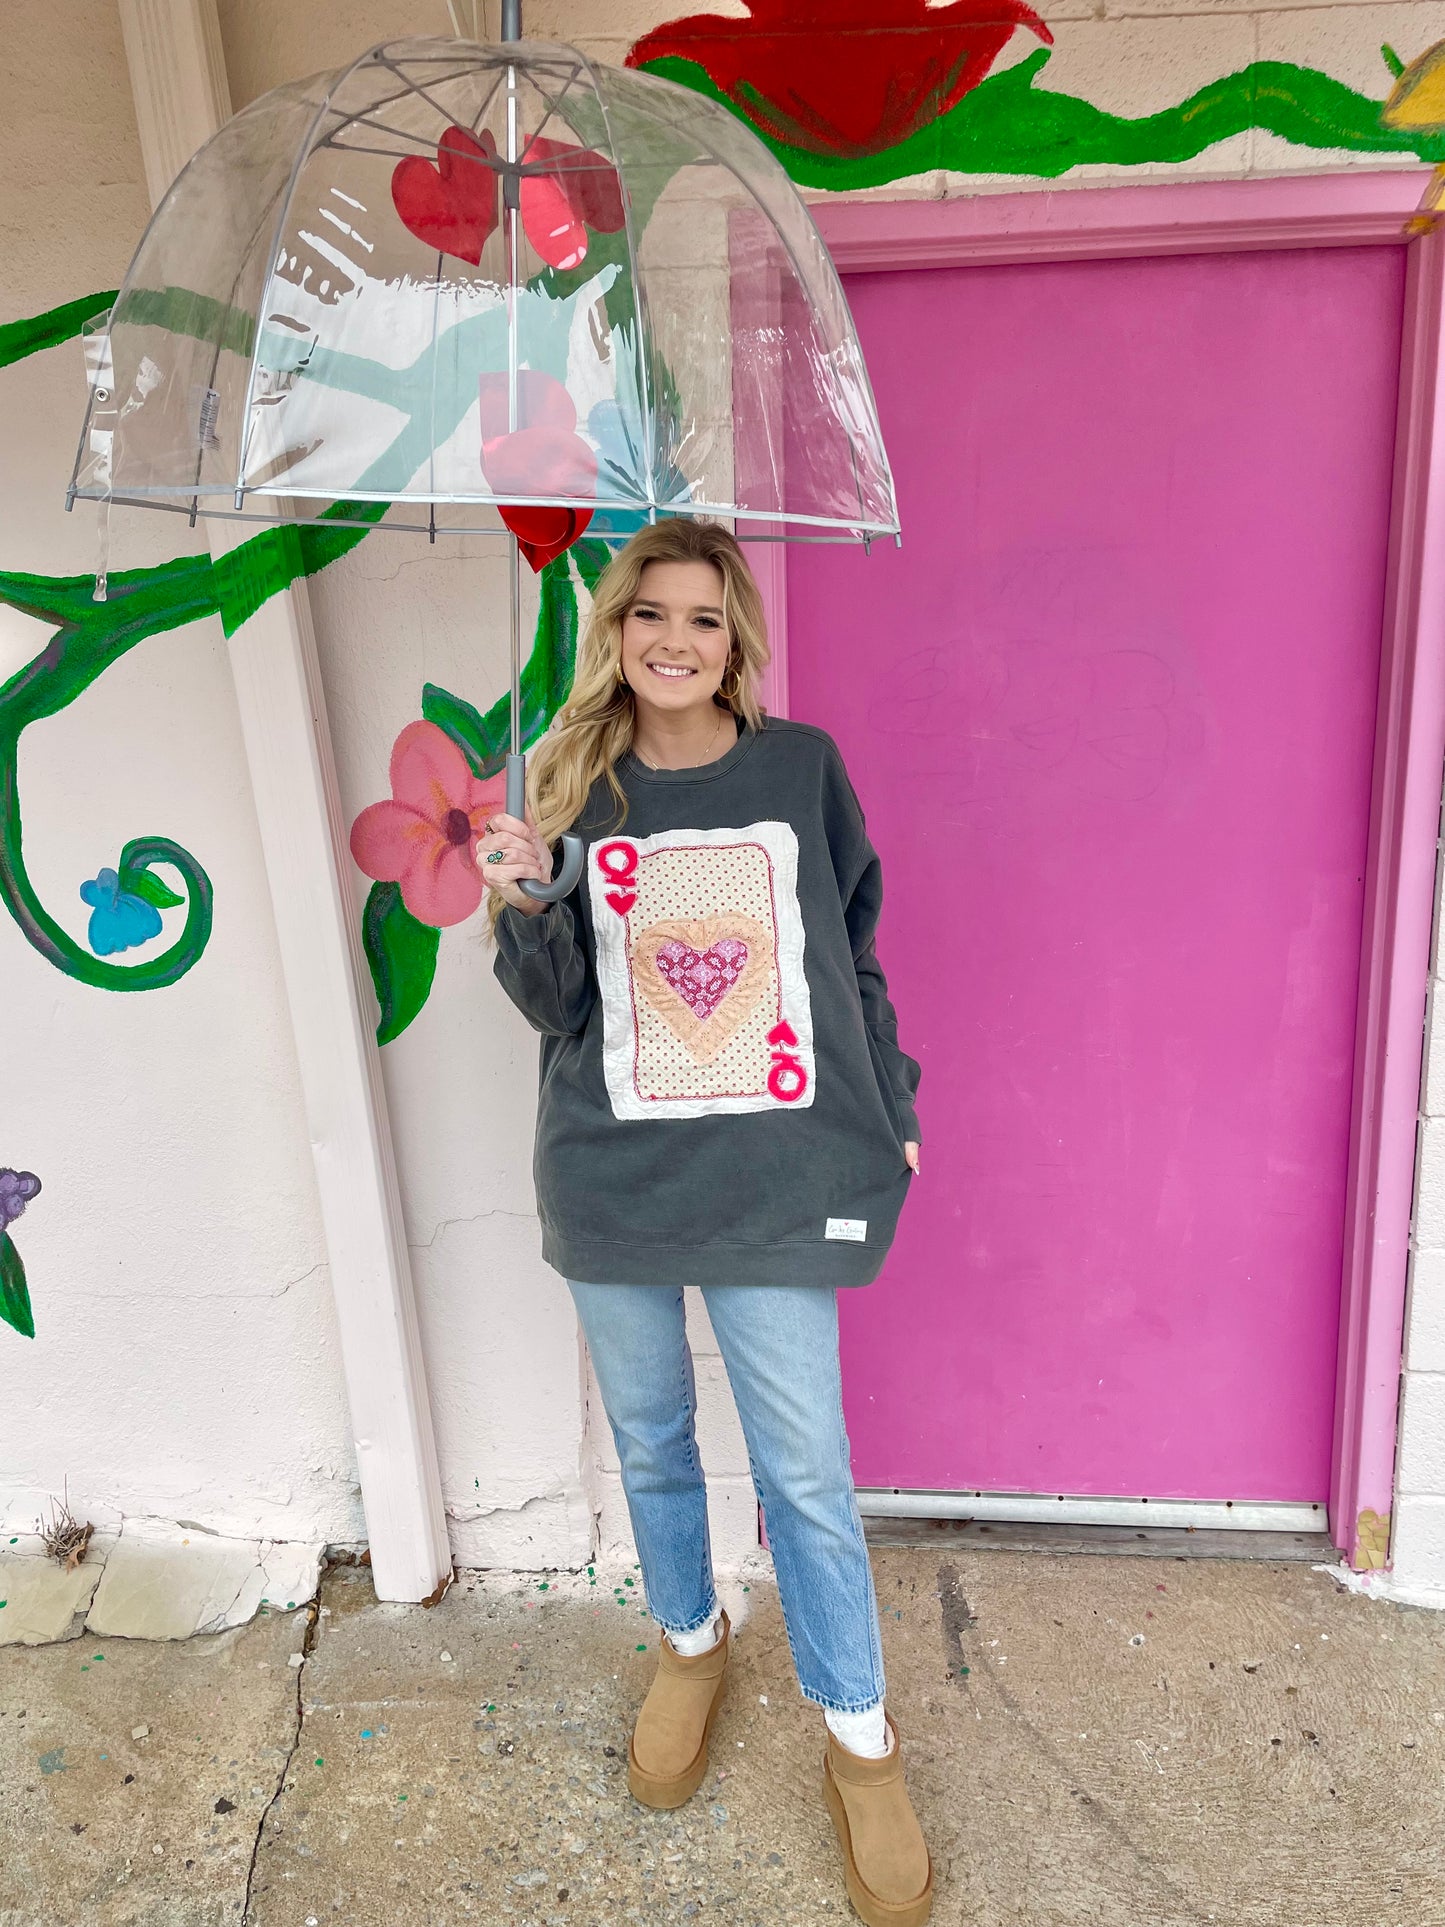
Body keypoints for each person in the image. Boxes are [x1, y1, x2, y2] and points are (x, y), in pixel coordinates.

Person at [481, 518, 933, 1927]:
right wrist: (517, 905)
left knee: (804, 1469)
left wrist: (896, 1092)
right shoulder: (569, 785)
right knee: (655, 1441)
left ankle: (858, 1739)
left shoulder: (798, 771)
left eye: (702, 618)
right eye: (647, 615)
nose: (673, 641)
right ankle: (690, 1640)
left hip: (776, 1176)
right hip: (615, 1176)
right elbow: (561, 1010)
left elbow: (845, 950)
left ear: (736, 637)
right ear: (613, 631)